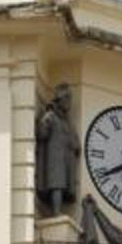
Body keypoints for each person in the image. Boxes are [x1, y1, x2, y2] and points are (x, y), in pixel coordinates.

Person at [36, 83, 79, 214]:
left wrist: (74, 145)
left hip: (65, 157)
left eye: (69, 99)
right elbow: (42, 134)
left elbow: (75, 140)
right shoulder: (51, 116)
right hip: (54, 158)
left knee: (62, 184)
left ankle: (58, 211)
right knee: (56, 184)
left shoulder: (67, 121)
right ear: (59, 100)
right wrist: (45, 121)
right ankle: (56, 211)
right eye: (66, 99)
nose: (69, 103)